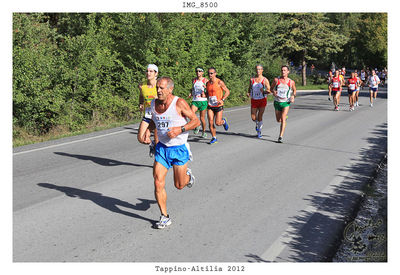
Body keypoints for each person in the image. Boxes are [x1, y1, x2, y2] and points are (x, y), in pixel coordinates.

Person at [137, 77, 200, 229]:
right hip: (162, 148)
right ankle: (164, 216)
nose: (158, 90)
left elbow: (195, 121)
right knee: (158, 181)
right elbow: (154, 121)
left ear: (170, 89)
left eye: (161, 88)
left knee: (179, 185)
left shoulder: (179, 103)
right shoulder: (153, 104)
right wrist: (146, 132)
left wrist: (180, 129)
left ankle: (187, 176)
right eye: (157, 87)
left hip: (178, 148)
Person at [271, 65, 297, 143]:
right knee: (278, 120)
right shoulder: (276, 80)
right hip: (277, 102)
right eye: (282, 70)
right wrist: (273, 92)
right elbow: (271, 88)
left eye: (285, 70)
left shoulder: (291, 82)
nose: (283, 72)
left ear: (288, 72)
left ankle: (280, 136)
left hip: (286, 102)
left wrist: (292, 96)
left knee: (282, 118)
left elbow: (294, 91)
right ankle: (285, 118)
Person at [138, 64, 159, 157]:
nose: (148, 73)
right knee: (141, 139)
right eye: (147, 71)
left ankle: (159, 161)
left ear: (156, 73)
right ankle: (152, 144)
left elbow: (168, 98)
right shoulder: (142, 86)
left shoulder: (160, 85)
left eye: (151, 71)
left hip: (159, 116)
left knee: (158, 141)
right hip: (147, 115)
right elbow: (141, 96)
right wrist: (141, 103)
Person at [206, 67, 230, 144]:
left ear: (215, 73)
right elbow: (207, 93)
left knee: (218, 123)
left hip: (218, 105)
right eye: (209, 73)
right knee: (210, 121)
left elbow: (227, 92)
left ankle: (223, 121)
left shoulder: (219, 82)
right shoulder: (207, 83)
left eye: (211, 73)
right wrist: (205, 95)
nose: (210, 75)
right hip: (210, 105)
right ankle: (214, 137)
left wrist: (222, 99)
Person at [247, 65, 270, 138]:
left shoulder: (265, 80)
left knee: (260, 115)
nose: (258, 71)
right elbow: (249, 88)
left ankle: (259, 131)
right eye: (257, 69)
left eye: (259, 69)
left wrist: (263, 91)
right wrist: (248, 93)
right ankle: (258, 124)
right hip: (254, 99)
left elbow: (269, 90)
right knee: (253, 117)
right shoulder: (252, 80)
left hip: (262, 100)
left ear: (262, 70)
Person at [188, 67, 208, 138]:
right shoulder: (194, 80)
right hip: (195, 100)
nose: (198, 72)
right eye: (197, 71)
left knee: (202, 118)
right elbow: (193, 88)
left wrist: (205, 90)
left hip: (203, 101)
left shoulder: (205, 80)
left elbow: (209, 90)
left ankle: (204, 132)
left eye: (200, 71)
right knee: (191, 113)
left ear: (202, 72)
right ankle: (197, 125)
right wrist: (191, 93)